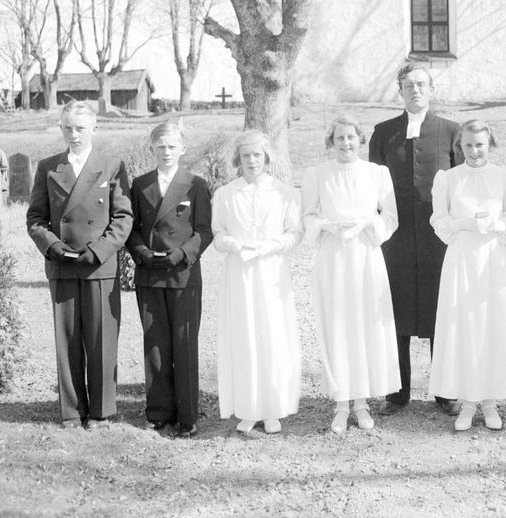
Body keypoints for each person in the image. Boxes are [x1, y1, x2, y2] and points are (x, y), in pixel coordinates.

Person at [26, 101, 133, 429]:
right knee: (67, 339)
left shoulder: (112, 166)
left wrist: (100, 250)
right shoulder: (48, 167)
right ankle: (72, 410)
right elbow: (35, 218)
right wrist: (52, 245)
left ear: (94, 129)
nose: (74, 135)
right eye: (68, 128)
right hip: (62, 265)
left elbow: (124, 217)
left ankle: (101, 412)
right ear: (61, 129)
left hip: (98, 266)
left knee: (102, 340)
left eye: (81, 128)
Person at [368, 64, 462, 416]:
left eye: (422, 84)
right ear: (400, 91)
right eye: (409, 85)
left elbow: (460, 184)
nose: (416, 90)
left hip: (438, 236)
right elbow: (372, 189)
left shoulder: (451, 131)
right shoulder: (383, 133)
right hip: (396, 238)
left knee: (441, 311)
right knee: (397, 313)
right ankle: (397, 392)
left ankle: (445, 391)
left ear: (432, 89)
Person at [301, 114, 401, 434]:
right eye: (339, 138)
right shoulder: (317, 174)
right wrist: (326, 226)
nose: (346, 143)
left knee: (363, 327)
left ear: (361, 140)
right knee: (338, 326)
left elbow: (390, 218)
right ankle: (341, 405)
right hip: (333, 257)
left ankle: (361, 403)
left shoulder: (376, 173)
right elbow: (307, 217)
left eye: (351, 137)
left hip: (364, 256)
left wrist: (367, 224)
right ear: (331, 142)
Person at [428, 119, 506, 432]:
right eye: (468, 145)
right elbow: (439, 221)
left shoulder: (503, 176)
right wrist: (463, 223)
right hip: (461, 259)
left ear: (490, 144)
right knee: (464, 325)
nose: (474, 150)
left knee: (491, 325)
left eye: (480, 144)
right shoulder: (449, 178)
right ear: (460, 146)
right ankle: (468, 402)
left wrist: (495, 225)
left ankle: (491, 402)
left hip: (491, 259)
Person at [212, 130, 302, 435]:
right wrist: (235, 246)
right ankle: (249, 408)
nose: (252, 161)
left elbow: (294, 233)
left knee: (272, 337)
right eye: (246, 155)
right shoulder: (225, 195)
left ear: (267, 158)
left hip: (272, 273)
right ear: (238, 159)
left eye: (258, 155)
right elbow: (218, 234)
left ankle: (272, 408)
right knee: (244, 337)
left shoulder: (285, 193)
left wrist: (270, 246)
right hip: (239, 274)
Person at [126, 122, 213, 438]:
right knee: (155, 343)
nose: (166, 152)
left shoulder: (196, 185)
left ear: (182, 150)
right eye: (160, 146)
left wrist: (183, 254)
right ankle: (159, 411)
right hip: (150, 273)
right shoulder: (140, 184)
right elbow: (131, 228)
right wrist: (141, 253)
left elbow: (205, 231)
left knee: (184, 343)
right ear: (152, 149)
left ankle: (188, 415)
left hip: (183, 274)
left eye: (172, 146)